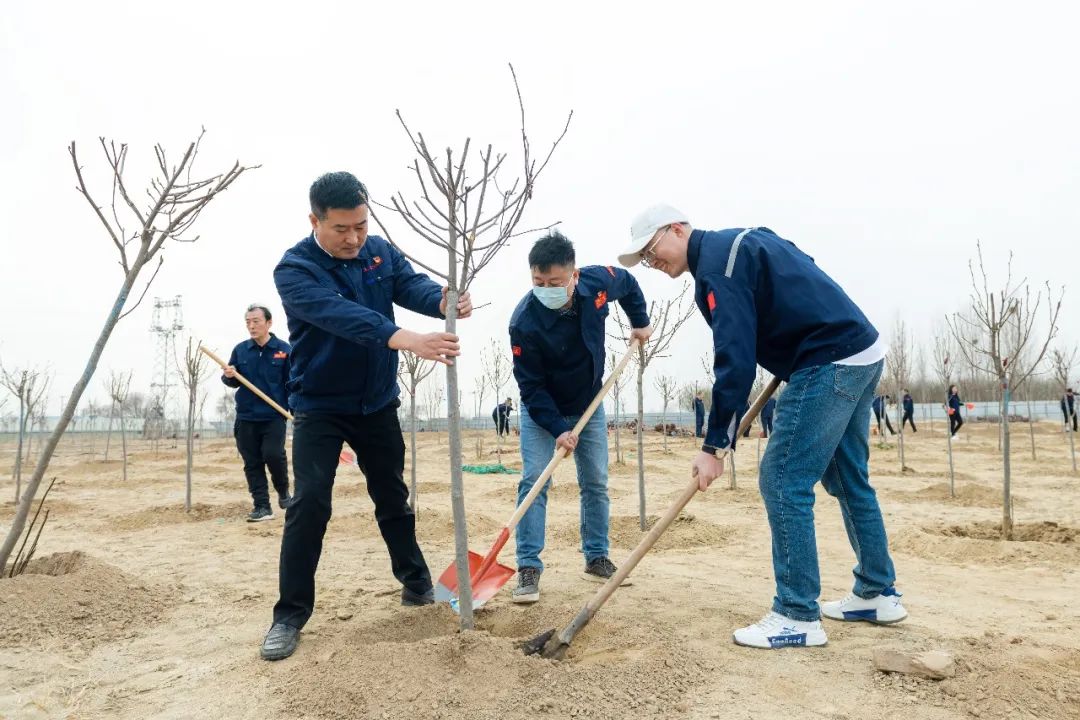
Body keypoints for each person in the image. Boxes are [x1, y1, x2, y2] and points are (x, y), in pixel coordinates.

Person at [620, 205, 906, 650]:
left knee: (782, 479)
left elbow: (735, 360)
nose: (652, 262)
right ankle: (877, 592)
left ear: (676, 229)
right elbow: (802, 265)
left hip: (826, 361)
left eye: (652, 250)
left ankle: (796, 614)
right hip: (861, 351)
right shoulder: (742, 240)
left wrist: (715, 446)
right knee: (847, 478)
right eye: (644, 259)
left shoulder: (717, 269)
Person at [260, 172, 473, 661]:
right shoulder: (294, 269)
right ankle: (289, 616)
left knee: (392, 496)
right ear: (315, 221)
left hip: (376, 403)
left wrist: (444, 299)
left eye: (361, 225)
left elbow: (411, 286)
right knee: (309, 503)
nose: (354, 238)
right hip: (319, 405)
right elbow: (340, 316)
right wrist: (408, 339)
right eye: (342, 229)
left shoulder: (379, 252)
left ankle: (416, 583)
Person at [509, 231, 652, 603]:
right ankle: (528, 567)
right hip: (543, 411)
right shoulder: (524, 322)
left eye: (555, 282)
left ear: (574, 275)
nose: (546, 289)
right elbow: (531, 388)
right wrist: (558, 428)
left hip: (590, 402)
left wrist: (639, 321)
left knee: (595, 482)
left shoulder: (597, 282)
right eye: (538, 282)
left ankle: (596, 556)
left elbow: (628, 283)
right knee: (535, 480)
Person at [221, 304, 293, 522]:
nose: (251, 326)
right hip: (246, 417)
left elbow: (292, 383)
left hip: (273, 415)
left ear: (269, 323)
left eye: (256, 321)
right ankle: (262, 506)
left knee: (273, 454)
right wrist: (229, 375)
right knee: (252, 463)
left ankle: (283, 492)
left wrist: (296, 411)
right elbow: (231, 381)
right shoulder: (241, 350)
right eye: (248, 322)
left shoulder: (284, 350)